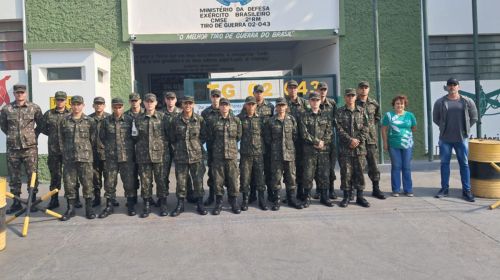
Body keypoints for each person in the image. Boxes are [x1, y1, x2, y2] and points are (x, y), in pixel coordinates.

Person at [433, 78, 478, 202]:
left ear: (459, 87)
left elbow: (474, 117)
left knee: (464, 164)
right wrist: (444, 128)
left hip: (461, 139)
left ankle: (466, 191)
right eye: (450, 85)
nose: (452, 87)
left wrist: (465, 130)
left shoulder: (467, 101)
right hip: (445, 139)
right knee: (444, 164)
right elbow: (435, 118)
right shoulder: (440, 102)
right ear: (447, 87)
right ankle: (444, 189)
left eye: (454, 85)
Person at [0, 84, 43, 214]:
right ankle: (16, 202)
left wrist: (31, 136)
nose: (20, 95)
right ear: (14, 94)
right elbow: (3, 126)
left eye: (22, 92)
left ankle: (32, 201)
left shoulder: (34, 108)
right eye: (17, 93)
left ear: (26, 94)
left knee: (32, 174)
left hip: (30, 148)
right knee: (14, 176)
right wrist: (13, 136)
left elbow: (41, 125)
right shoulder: (6, 109)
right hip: (13, 148)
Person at [59, 95, 96, 220]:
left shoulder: (89, 121)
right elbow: (61, 139)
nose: (76, 106)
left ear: (83, 105)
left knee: (87, 184)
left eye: (79, 104)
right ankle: (71, 209)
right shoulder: (64, 121)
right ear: (71, 105)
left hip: (85, 158)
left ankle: (89, 209)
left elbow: (93, 139)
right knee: (69, 184)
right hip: (70, 158)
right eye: (74, 104)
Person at [169, 96, 208, 216]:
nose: (187, 106)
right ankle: (180, 205)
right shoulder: (175, 120)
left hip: (196, 155)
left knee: (198, 180)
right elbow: (172, 137)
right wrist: (179, 147)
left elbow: (204, 135)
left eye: (190, 103)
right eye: (185, 103)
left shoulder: (199, 119)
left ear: (193, 104)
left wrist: (195, 145)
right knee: (181, 182)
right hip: (181, 156)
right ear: (182, 105)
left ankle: (200, 204)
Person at [98, 97, 136, 217]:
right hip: (111, 157)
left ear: (123, 107)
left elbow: (135, 137)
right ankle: (109, 206)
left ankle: (130, 204)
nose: (117, 109)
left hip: (126, 157)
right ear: (112, 107)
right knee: (109, 182)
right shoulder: (106, 121)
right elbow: (102, 137)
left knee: (129, 182)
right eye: (115, 107)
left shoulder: (130, 120)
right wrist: (110, 149)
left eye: (119, 107)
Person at [134, 93, 169, 217]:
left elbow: (169, 135)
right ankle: (147, 204)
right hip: (143, 156)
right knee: (145, 182)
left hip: (159, 155)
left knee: (161, 181)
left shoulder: (163, 117)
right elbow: (134, 137)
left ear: (156, 103)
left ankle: (163, 204)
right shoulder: (137, 119)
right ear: (143, 103)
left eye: (152, 101)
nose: (149, 103)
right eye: (147, 101)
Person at [264, 97, 302, 211]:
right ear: (276, 107)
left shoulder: (291, 120)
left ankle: (291, 199)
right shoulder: (270, 121)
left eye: (283, 105)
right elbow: (267, 138)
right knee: (276, 178)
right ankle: (277, 200)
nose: (281, 107)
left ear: (286, 107)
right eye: (279, 105)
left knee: (291, 177)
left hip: (289, 154)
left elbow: (295, 136)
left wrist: (288, 146)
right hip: (276, 155)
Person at [335, 88, 370, 208]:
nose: (350, 98)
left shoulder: (361, 111)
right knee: (346, 173)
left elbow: (366, 127)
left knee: (359, 172)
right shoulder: (340, 112)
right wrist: (349, 140)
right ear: (345, 97)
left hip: (359, 148)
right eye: (348, 96)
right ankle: (346, 196)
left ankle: (360, 196)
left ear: (356, 97)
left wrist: (357, 140)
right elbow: (338, 129)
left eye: (352, 96)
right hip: (345, 148)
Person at [207, 98, 242, 215]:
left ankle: (234, 202)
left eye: (226, 105)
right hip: (218, 156)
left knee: (233, 180)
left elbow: (238, 136)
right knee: (218, 180)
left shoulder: (236, 120)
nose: (224, 107)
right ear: (219, 107)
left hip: (231, 155)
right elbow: (210, 137)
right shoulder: (213, 121)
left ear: (229, 106)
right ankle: (219, 203)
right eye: (222, 105)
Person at [240, 84, 274, 204]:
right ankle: (252, 195)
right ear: (253, 93)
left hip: (264, 146)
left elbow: (271, 125)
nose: (259, 94)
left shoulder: (270, 106)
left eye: (260, 92)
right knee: (250, 174)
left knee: (265, 172)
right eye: (257, 92)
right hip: (248, 148)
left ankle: (269, 195)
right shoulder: (245, 109)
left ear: (263, 93)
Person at [299, 92, 334, 207]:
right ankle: (307, 198)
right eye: (313, 100)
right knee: (308, 175)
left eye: (317, 100)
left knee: (323, 175)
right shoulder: (304, 115)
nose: (315, 102)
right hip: (309, 151)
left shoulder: (326, 115)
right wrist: (316, 142)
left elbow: (329, 132)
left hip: (323, 151)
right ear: (309, 101)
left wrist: (323, 141)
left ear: (320, 101)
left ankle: (324, 197)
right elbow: (304, 133)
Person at [161, 91, 195, 204]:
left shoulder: (182, 112)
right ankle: (163, 198)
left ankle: (189, 194)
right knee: (163, 173)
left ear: (176, 100)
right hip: (164, 148)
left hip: (180, 148)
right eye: (168, 99)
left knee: (184, 173)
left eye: (172, 99)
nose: (170, 101)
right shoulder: (160, 114)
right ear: (165, 100)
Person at [40, 91, 71, 210]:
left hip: (68, 151)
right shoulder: (49, 114)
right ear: (55, 101)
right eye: (58, 100)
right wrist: (53, 135)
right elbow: (43, 128)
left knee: (70, 176)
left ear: (65, 101)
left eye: (62, 100)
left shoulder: (70, 114)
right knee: (55, 176)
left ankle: (74, 199)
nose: (60, 102)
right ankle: (54, 200)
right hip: (54, 151)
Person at [381, 95, 417, 197]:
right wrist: (385, 143)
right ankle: (396, 189)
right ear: (394, 105)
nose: (399, 105)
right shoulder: (389, 115)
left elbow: (414, 128)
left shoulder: (410, 115)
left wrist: (405, 135)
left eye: (401, 103)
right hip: (393, 145)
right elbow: (383, 129)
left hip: (407, 145)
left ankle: (408, 189)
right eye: (397, 103)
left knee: (406, 166)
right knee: (396, 166)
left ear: (405, 105)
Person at [356, 81, 386, 200]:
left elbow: (377, 117)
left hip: (371, 140)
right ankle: (359, 191)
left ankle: (376, 188)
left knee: (374, 165)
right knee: (359, 166)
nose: (364, 90)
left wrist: (370, 128)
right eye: (361, 88)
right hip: (359, 141)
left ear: (369, 89)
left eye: (366, 88)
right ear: (358, 89)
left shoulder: (374, 103)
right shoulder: (354, 102)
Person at [238, 96, 268, 211]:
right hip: (245, 154)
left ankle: (261, 200)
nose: (251, 106)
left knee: (260, 178)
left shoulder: (261, 119)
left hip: (259, 153)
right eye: (248, 104)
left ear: (256, 106)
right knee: (245, 178)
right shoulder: (239, 118)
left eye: (253, 104)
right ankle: (245, 200)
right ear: (245, 105)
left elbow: (266, 135)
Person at [285, 80, 309, 202]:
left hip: (302, 141)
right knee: (289, 169)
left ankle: (301, 191)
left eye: (295, 87)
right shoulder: (284, 103)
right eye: (290, 87)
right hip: (288, 142)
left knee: (301, 167)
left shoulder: (304, 103)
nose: (293, 89)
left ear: (297, 89)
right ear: (287, 89)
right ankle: (290, 194)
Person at [316, 81, 338, 200]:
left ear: (327, 91)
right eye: (320, 89)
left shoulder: (332, 103)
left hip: (329, 140)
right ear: (317, 90)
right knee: (318, 167)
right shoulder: (313, 103)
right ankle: (319, 190)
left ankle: (332, 189)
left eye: (324, 89)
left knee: (330, 166)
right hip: (317, 140)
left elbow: (336, 121)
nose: (322, 91)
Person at [201, 89, 222, 206]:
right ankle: (211, 196)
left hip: (225, 149)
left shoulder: (226, 111)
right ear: (210, 98)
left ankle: (228, 197)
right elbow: (202, 132)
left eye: (217, 96)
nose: (215, 98)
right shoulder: (205, 113)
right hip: (212, 149)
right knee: (212, 174)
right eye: (213, 96)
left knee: (227, 174)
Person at [89, 97, 111, 207]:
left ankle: (110, 199)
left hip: (107, 154)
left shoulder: (109, 118)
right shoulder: (88, 119)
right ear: (93, 105)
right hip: (93, 154)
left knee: (109, 178)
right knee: (95, 179)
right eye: (97, 104)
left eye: (101, 104)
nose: (99, 106)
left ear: (104, 106)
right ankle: (97, 198)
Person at [124, 93, 144, 204]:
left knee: (146, 176)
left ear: (140, 101)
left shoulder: (146, 114)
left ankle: (148, 198)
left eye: (136, 100)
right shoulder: (125, 116)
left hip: (144, 151)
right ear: (130, 102)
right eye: (132, 101)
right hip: (129, 151)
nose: (134, 102)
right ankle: (132, 198)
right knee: (131, 176)